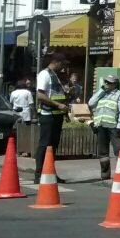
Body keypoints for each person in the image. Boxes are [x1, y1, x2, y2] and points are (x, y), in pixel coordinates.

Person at [34, 53, 71, 184]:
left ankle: (51, 173)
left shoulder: (55, 75)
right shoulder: (44, 74)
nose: (63, 67)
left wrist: (64, 112)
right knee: (44, 145)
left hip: (57, 115)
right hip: (48, 115)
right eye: (62, 64)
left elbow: (59, 94)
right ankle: (38, 174)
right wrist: (58, 105)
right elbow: (40, 95)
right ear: (56, 62)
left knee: (53, 146)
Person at [88, 74, 120, 180]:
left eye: (109, 83)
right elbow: (91, 103)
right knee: (103, 153)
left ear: (115, 84)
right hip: (101, 126)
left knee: (118, 150)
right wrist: (101, 90)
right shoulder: (101, 93)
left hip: (114, 127)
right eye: (106, 82)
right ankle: (105, 175)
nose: (107, 84)